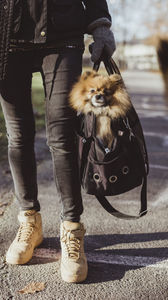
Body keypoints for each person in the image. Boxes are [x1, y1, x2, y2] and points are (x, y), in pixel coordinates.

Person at [0, 0, 116, 283]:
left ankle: (72, 228)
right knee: (18, 135)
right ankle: (30, 221)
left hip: (61, 33)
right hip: (7, 36)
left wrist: (100, 25)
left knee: (62, 136)